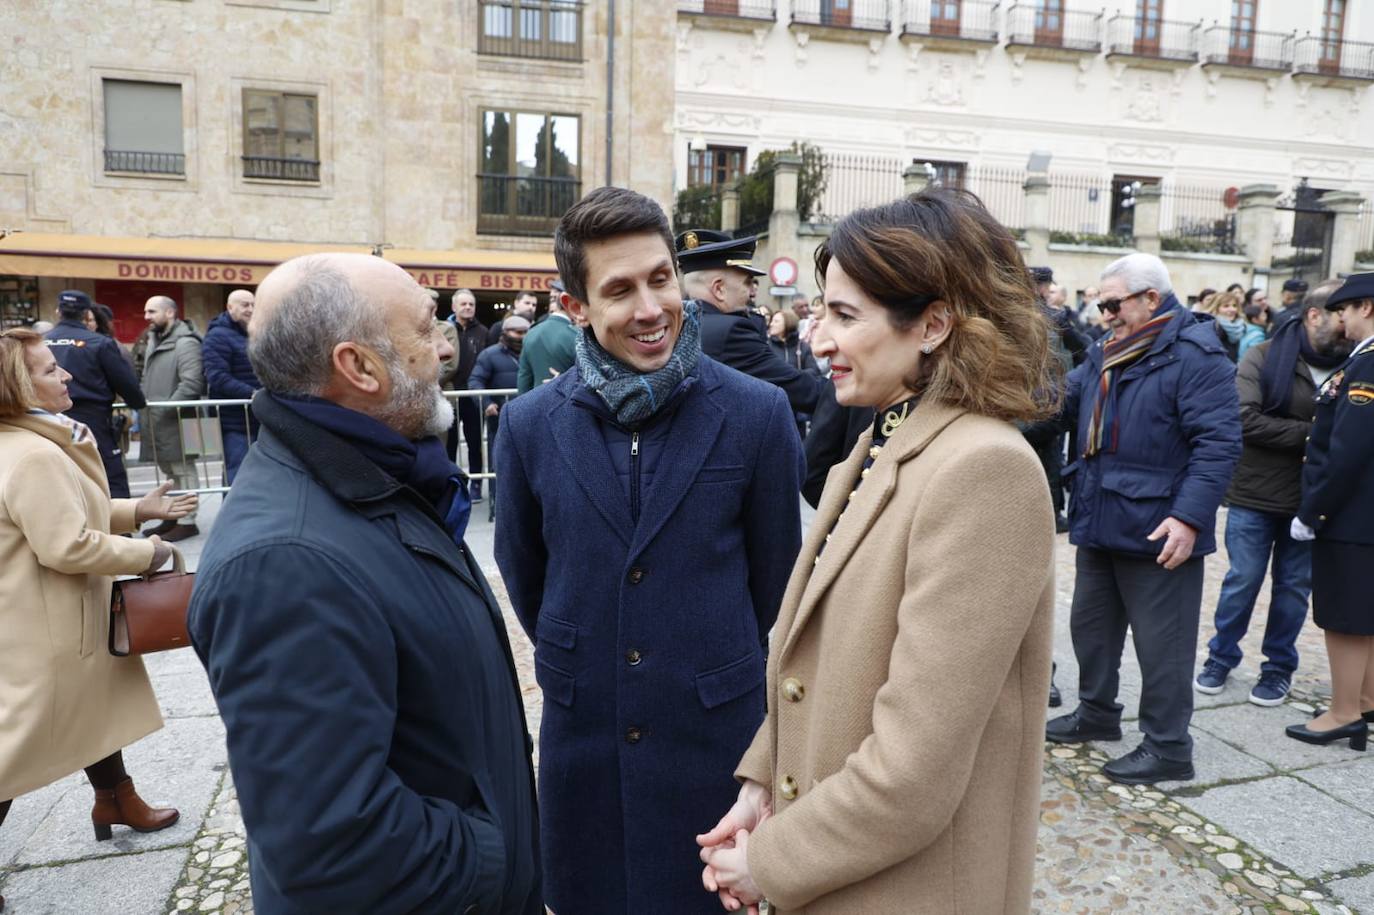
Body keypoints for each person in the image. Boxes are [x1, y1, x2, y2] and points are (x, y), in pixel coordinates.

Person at [698, 188, 1057, 913]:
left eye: (844, 315)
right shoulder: (883, 439)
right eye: (823, 312)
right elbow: (825, 663)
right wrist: (764, 780)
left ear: (932, 324)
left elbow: (912, 771)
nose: (817, 340)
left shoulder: (984, 470)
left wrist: (769, 861)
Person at [186, 253, 540, 913]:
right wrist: (496, 858)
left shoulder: (378, 475)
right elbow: (332, 844)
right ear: (359, 368)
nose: (444, 349)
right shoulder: (287, 561)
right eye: (427, 327)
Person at [495, 187, 802, 914]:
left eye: (660, 278)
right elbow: (526, 572)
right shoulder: (531, 424)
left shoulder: (757, 414)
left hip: (712, 737)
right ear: (576, 307)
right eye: (620, 289)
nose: (649, 307)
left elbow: (777, 580)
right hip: (585, 741)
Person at [1, 328, 195, 913]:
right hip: (48, 626)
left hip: (50, 618)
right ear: (18, 385)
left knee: (93, 710)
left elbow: (66, 510)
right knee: (15, 751)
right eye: (49, 370)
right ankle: (116, 799)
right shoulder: (33, 452)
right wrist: (150, 551)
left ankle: (115, 800)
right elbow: (66, 544)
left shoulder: (26, 441)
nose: (65, 376)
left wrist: (139, 510)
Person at [1046, 253, 1242, 785]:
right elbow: (1061, 403)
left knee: (1163, 647)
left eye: (1112, 304)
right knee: (1090, 630)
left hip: (1160, 529)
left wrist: (1188, 519)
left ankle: (1169, 746)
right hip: (1101, 515)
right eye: (1099, 304)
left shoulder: (1196, 355)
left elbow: (1218, 444)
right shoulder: (1107, 352)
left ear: (1150, 298)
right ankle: (1097, 713)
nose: (1104, 313)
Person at [1196, 280, 1350, 706]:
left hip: (1313, 497)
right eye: (1342, 315)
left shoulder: (1354, 364)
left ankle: (1278, 668)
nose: (1348, 324)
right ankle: (1220, 658)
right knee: (1242, 581)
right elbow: (1245, 420)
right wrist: (1315, 435)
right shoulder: (1262, 355)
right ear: (1315, 315)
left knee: (1293, 588)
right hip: (1255, 494)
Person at [1285, 272, 1374, 751]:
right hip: (1364, 515)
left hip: (1350, 516)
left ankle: (1343, 713)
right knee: (1365, 613)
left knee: (1343, 616)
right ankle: (1363, 698)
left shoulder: (1368, 366)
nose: (1340, 321)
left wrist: (1314, 512)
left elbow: (1349, 451)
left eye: (1344, 311)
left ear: (1367, 308)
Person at [681, 229, 823, 415]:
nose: (751, 292)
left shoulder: (678, 324)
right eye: (747, 283)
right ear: (719, 289)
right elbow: (802, 391)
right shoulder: (731, 332)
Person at [43, 289, 146, 498]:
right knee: (110, 478)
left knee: (57, 480)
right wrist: (138, 402)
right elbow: (128, 388)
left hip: (46, 420)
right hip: (93, 421)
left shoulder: (38, 343)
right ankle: (119, 530)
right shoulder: (99, 343)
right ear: (86, 314)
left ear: (57, 312)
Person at [140, 296, 204, 541]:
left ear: (170, 313)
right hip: (159, 419)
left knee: (184, 470)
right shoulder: (153, 340)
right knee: (169, 472)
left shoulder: (186, 342)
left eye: (152, 311)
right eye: (145, 311)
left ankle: (188, 521)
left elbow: (191, 383)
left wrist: (164, 409)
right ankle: (173, 517)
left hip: (180, 420)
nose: (146, 316)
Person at [201, 289, 261, 485]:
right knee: (237, 475)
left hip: (258, 417)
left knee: (257, 476)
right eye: (245, 305)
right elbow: (217, 376)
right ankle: (234, 515)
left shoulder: (256, 334)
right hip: (234, 421)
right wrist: (253, 394)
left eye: (253, 304)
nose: (250, 309)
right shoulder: (218, 336)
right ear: (229, 307)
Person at [469, 314, 527, 516]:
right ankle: (499, 505)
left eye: (526, 332)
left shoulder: (532, 351)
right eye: (517, 332)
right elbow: (475, 381)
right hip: (500, 419)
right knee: (500, 463)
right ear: (505, 333)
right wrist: (487, 403)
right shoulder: (489, 355)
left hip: (528, 418)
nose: (522, 337)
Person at [440, 288, 489, 502]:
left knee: (474, 442)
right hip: (449, 395)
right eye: (463, 304)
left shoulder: (483, 332)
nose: (468, 307)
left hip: (472, 397)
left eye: (471, 304)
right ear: (454, 307)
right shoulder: (442, 330)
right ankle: (452, 484)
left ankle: (476, 485)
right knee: (449, 443)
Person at [517, 284, 578, 394]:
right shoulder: (576, 335)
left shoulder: (531, 333)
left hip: (536, 403)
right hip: (569, 404)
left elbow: (524, 380)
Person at [1198, 288, 1246, 362]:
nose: (1232, 309)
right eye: (1226, 306)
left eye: (1234, 305)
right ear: (1215, 308)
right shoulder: (1210, 327)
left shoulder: (1240, 326)